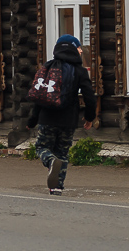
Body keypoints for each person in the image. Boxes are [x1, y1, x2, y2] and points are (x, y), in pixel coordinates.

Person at [27, 34, 96, 194]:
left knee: (42, 147)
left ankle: (50, 161)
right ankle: (57, 187)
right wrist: (90, 117)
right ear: (74, 48)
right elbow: (89, 97)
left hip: (47, 117)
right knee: (62, 152)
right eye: (79, 48)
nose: (80, 51)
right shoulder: (80, 71)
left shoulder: (48, 66)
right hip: (68, 120)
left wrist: (32, 120)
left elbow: (39, 96)